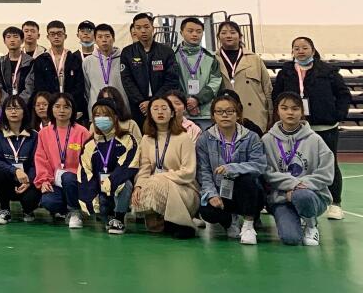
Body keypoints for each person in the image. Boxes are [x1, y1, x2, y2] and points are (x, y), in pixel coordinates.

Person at [271, 36, 350, 221]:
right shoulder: (286, 72)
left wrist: (337, 114)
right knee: (295, 163)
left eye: (305, 47)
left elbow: (343, 94)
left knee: (330, 163)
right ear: (292, 52)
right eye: (296, 48)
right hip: (296, 127)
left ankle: (335, 203)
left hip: (325, 126)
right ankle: (293, 199)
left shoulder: (328, 71)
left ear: (313, 51)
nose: (300, 51)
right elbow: (276, 96)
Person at [263, 93, 334, 247]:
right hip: (282, 198)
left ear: (302, 112)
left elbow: (327, 174)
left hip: (311, 196)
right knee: (291, 239)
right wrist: (293, 185)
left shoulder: (315, 139)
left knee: (302, 195)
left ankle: (311, 225)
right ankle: (296, 219)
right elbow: (267, 172)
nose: (290, 112)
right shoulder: (267, 140)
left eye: (295, 109)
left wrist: (299, 188)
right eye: (284, 108)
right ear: (277, 111)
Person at [196, 96, 265, 245]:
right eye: (219, 111)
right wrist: (211, 194)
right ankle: (229, 221)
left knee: (248, 180)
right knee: (207, 212)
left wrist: (232, 168)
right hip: (220, 191)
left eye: (229, 111)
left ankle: (248, 225)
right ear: (213, 116)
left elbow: (259, 166)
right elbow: (204, 172)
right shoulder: (204, 139)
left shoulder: (251, 137)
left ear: (238, 114)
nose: (224, 115)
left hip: (245, 191)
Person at [132, 95, 199, 238]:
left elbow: (188, 172)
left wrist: (162, 177)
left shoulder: (183, 137)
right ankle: (165, 220)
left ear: (172, 113)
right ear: (150, 114)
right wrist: (138, 186)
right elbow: (144, 168)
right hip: (155, 186)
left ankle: (183, 224)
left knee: (163, 183)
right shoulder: (146, 139)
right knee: (143, 189)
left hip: (184, 187)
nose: (160, 112)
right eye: (155, 109)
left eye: (164, 108)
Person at [78, 98, 140, 234]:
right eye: (97, 115)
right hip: (99, 188)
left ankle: (119, 218)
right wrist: (91, 196)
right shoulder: (89, 144)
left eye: (106, 115)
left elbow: (128, 166)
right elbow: (85, 171)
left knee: (126, 185)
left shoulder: (127, 139)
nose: (101, 119)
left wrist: (110, 182)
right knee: (100, 206)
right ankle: (107, 216)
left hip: (118, 186)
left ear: (115, 117)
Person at [34, 93, 91, 229]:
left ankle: (75, 211)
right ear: (51, 109)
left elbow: (89, 159)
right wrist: (44, 180)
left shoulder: (82, 132)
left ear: (72, 110)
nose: (61, 110)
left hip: (76, 181)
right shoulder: (44, 133)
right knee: (48, 201)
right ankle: (65, 211)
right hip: (55, 182)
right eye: (57, 106)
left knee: (68, 177)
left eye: (66, 107)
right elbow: (41, 158)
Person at [0, 96, 39, 224]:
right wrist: (15, 171)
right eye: (9, 108)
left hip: (27, 181)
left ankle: (28, 210)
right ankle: (4, 209)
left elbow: (36, 162)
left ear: (24, 111)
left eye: (17, 108)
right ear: (4, 112)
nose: (13, 111)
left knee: (31, 200)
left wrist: (28, 180)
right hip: (7, 180)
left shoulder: (34, 135)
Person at [215, 19, 271, 131]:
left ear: (240, 36)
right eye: (224, 33)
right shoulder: (213, 59)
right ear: (218, 37)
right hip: (225, 115)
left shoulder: (254, 59)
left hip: (254, 114)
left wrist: (271, 113)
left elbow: (267, 88)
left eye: (233, 32)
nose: (228, 36)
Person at [121, 13, 179, 118]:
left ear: (153, 28)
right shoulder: (127, 52)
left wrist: (154, 101)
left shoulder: (166, 51)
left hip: (162, 103)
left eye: (146, 27)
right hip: (139, 106)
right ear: (134, 30)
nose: (143, 31)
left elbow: (172, 80)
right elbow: (127, 80)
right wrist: (141, 102)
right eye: (138, 28)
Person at [33, 21, 88, 121]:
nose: (56, 37)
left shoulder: (74, 59)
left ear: (65, 36)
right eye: (52, 34)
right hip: (50, 108)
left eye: (59, 34)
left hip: (71, 107)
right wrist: (54, 104)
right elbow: (40, 87)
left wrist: (67, 103)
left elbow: (79, 85)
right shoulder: (40, 60)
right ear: (48, 37)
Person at [174, 17, 220, 125]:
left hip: (205, 113)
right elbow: (171, 81)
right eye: (190, 31)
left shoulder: (211, 57)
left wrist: (197, 100)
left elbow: (215, 82)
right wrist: (187, 102)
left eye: (199, 32)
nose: (195, 34)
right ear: (181, 32)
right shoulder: (172, 55)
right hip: (180, 113)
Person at [81, 23, 127, 113]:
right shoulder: (88, 61)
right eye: (100, 37)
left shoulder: (124, 59)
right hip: (97, 110)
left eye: (107, 36)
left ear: (113, 38)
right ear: (95, 40)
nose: (104, 40)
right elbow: (86, 89)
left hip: (120, 108)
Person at [0, 26, 35, 102]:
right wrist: (7, 101)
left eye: (15, 37)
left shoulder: (31, 62)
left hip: (25, 104)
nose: (12, 40)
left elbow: (30, 86)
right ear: (4, 41)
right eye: (8, 37)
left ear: (22, 40)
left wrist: (18, 102)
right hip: (4, 104)